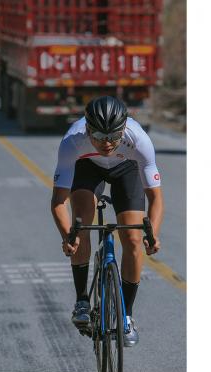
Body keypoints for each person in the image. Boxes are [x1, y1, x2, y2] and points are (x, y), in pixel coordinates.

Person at [51, 96, 164, 347]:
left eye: (114, 136)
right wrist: (68, 236)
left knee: (133, 240)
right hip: (87, 167)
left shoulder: (139, 140)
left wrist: (152, 234)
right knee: (80, 227)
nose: (107, 143)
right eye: (100, 136)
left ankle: (126, 316)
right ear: (87, 129)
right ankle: (82, 300)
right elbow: (59, 201)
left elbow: (155, 198)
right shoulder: (72, 142)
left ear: (124, 129)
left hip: (126, 168)